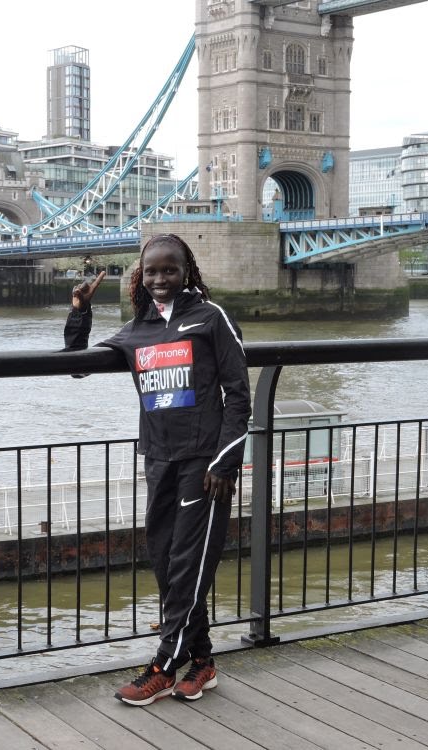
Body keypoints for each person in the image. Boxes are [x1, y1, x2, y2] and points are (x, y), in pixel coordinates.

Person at [64, 233, 251, 706]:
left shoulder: (211, 318)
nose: (160, 279)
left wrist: (225, 462)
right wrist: (80, 311)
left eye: (170, 269)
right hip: (158, 460)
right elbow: (77, 367)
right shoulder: (136, 330)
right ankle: (203, 661)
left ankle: (164, 666)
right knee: (167, 563)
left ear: (187, 271)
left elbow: (238, 396)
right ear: (140, 276)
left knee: (189, 564)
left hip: (204, 465)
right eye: (151, 271)